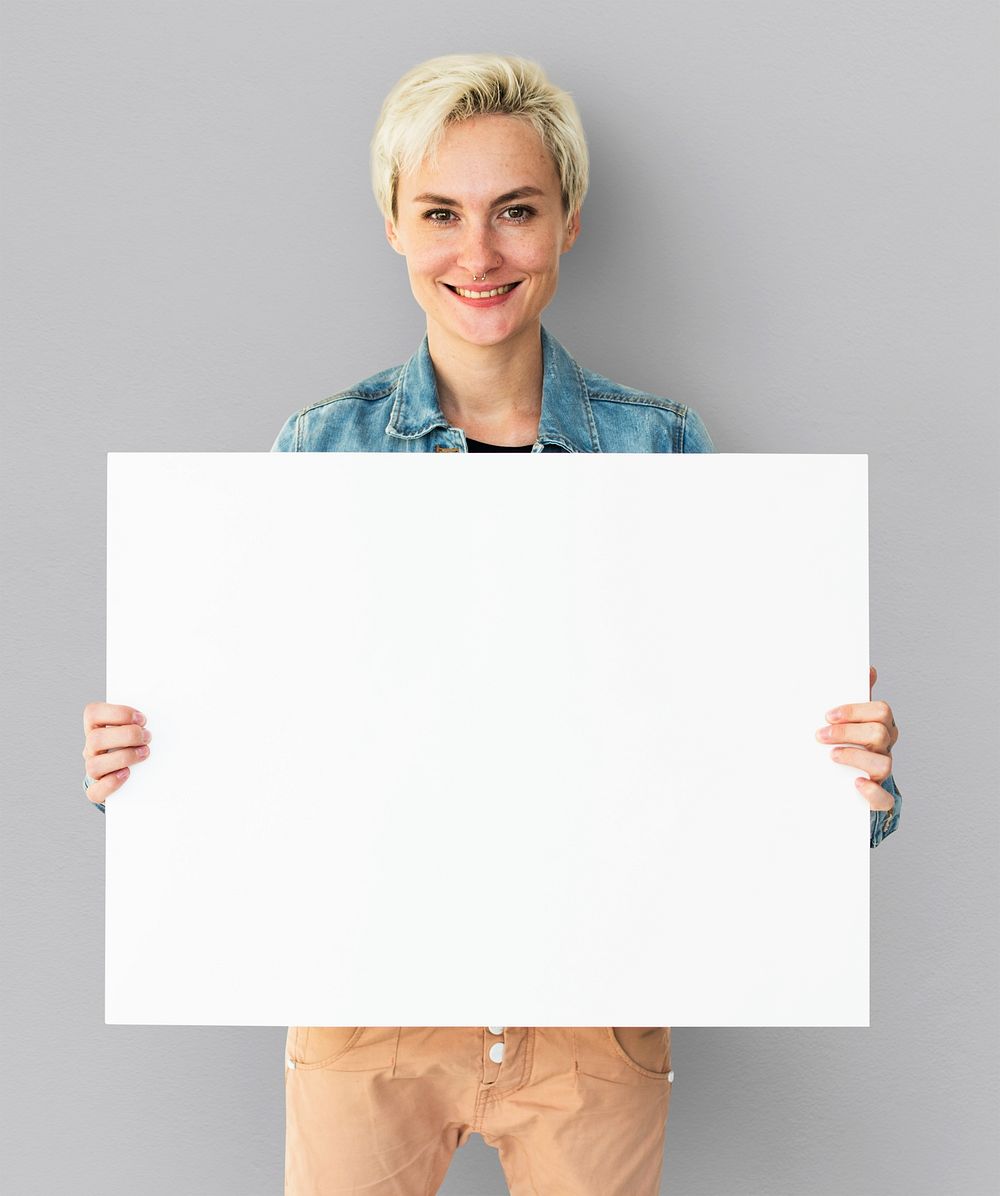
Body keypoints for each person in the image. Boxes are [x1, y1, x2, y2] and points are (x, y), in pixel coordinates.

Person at [81, 52, 904, 1196]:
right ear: (393, 225)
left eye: (515, 211)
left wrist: (843, 782)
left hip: (594, 1014)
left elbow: (728, 765)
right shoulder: (317, 451)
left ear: (567, 223)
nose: (479, 254)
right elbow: (267, 740)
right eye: (440, 213)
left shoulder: (659, 448)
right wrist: (154, 767)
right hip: (368, 1010)